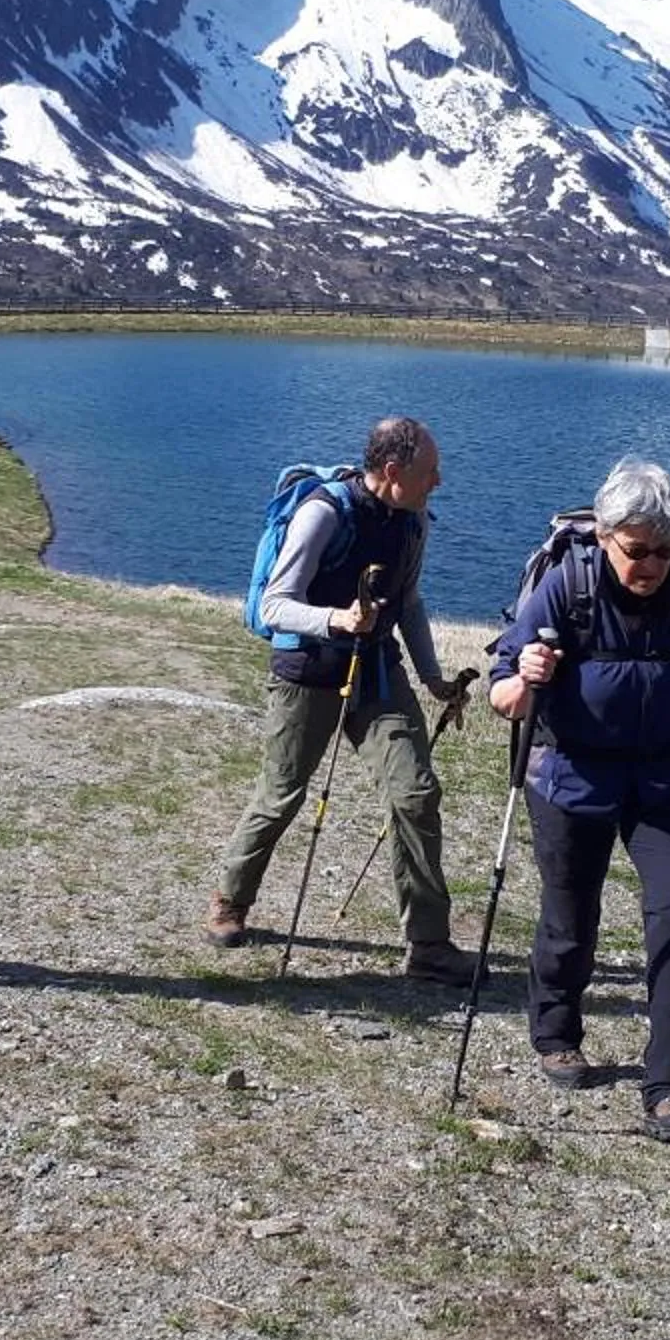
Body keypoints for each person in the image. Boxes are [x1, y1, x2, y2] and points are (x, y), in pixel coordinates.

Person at [488, 456, 670, 1141]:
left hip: (664, 778)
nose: (651, 564)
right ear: (607, 535)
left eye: (665, 551)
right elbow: (503, 695)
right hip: (571, 776)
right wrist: (526, 677)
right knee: (570, 915)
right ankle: (555, 1030)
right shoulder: (567, 583)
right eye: (638, 550)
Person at [207, 416, 476, 981]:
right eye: (431, 472)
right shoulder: (322, 514)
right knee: (282, 794)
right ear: (394, 470)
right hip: (307, 671)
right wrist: (337, 619)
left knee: (416, 795)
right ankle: (230, 901)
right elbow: (275, 604)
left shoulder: (413, 519)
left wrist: (432, 678)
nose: (439, 482)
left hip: (376, 672)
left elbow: (408, 602)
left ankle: (428, 944)